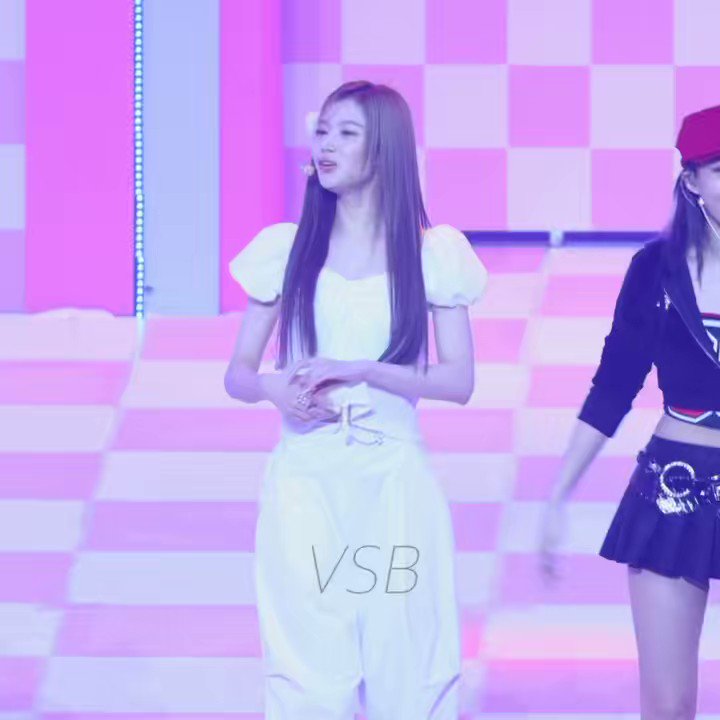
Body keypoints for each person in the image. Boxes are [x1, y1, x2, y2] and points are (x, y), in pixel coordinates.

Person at [224, 80, 488, 720]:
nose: (326, 146)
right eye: (322, 131)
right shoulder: (287, 249)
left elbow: (458, 382)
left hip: (392, 485)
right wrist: (272, 389)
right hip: (305, 484)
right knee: (307, 668)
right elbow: (238, 373)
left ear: (385, 149)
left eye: (346, 133)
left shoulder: (432, 254)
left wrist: (364, 370)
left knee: (407, 664)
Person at [541, 104, 720, 720]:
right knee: (668, 706)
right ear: (691, 181)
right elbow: (615, 385)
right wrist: (559, 494)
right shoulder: (656, 269)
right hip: (676, 488)